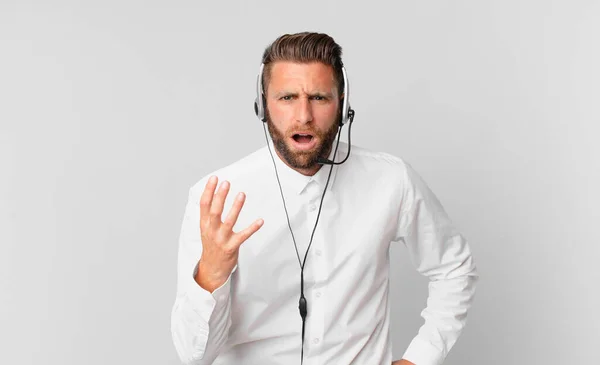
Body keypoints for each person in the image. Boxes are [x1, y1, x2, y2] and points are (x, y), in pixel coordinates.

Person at [171, 32, 479, 365]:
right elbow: (194, 356)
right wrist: (210, 277)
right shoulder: (216, 198)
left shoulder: (390, 179)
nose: (303, 115)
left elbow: (454, 268)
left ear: (342, 103)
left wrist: (421, 358)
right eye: (287, 97)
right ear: (263, 105)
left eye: (318, 97)